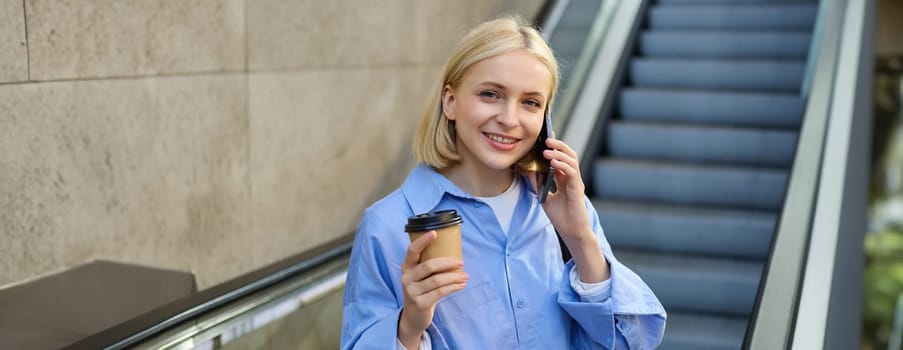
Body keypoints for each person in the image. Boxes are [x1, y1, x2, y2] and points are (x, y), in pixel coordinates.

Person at [340, 16, 665, 349]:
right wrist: (408, 327)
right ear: (450, 101)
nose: (509, 119)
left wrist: (580, 239)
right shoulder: (388, 226)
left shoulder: (567, 211)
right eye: (490, 94)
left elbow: (632, 342)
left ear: (544, 120)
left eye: (530, 103)